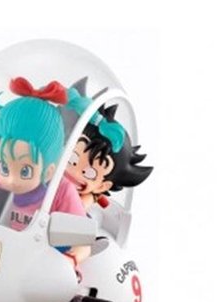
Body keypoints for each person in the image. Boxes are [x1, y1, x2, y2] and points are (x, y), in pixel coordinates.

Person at [0, 77, 91, 302]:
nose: (11, 179)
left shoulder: (61, 191)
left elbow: (84, 243)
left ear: (49, 169)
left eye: (25, 170)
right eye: (4, 166)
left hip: (42, 270)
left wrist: (69, 260)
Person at [62, 77, 152, 210]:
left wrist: (91, 198)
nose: (74, 172)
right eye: (71, 159)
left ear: (102, 186)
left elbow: (75, 211)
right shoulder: (54, 177)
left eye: (89, 173)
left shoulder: (84, 199)